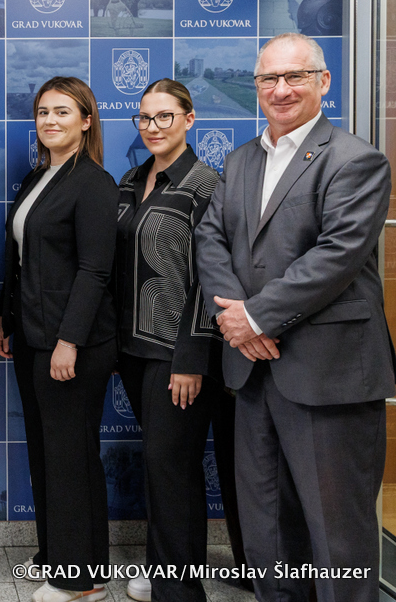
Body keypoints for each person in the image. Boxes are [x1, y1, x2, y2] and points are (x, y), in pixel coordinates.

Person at [195, 32, 394, 602]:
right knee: (267, 534)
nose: (280, 89)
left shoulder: (355, 160)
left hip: (327, 376)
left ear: (323, 82)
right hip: (254, 375)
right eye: (269, 79)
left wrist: (254, 319)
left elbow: (336, 256)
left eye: (295, 76)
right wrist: (238, 321)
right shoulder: (240, 160)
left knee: (337, 540)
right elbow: (210, 239)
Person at [0, 77, 118, 602]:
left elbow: (94, 271)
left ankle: (81, 579)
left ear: (86, 121)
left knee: (70, 456)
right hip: (32, 334)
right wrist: (6, 319)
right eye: (43, 112)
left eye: (62, 112)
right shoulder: (38, 176)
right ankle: (57, 555)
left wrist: (69, 341)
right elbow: (21, 259)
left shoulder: (94, 183)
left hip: (73, 343)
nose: (49, 120)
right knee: (48, 451)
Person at [114, 79, 223, 602]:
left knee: (171, 468)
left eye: (164, 117)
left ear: (189, 119)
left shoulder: (206, 185)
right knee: (165, 467)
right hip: (132, 350)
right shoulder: (132, 179)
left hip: (176, 353)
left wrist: (191, 356)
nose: (153, 127)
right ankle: (169, 570)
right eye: (145, 118)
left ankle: (177, 591)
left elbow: (212, 278)